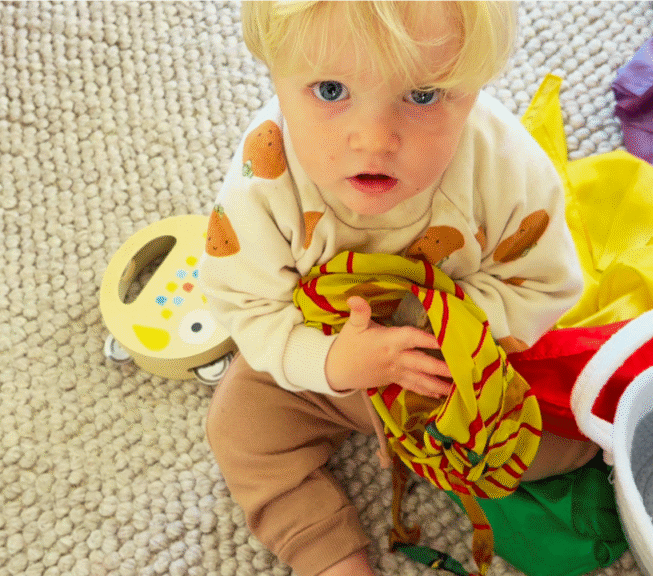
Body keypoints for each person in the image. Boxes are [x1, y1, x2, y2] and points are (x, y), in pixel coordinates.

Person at [201, 2, 599, 575]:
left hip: (447, 372)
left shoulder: (505, 167)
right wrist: (335, 361)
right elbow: (245, 303)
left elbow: (544, 281)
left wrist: (442, 339)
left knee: (574, 427)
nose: (375, 139)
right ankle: (328, 556)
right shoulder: (264, 179)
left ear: (475, 85)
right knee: (239, 427)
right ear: (274, 74)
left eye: (424, 96)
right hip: (324, 366)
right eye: (331, 90)